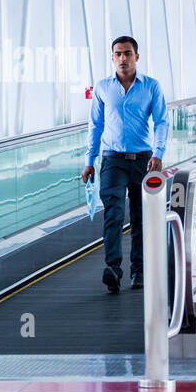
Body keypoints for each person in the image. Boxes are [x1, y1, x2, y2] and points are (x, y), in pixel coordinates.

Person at [81, 36, 169, 294]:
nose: (123, 58)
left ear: (137, 57)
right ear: (112, 58)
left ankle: (139, 270)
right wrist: (89, 160)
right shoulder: (103, 88)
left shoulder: (151, 87)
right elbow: (95, 125)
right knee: (113, 214)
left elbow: (162, 121)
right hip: (112, 160)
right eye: (118, 54)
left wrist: (159, 152)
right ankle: (113, 269)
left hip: (144, 160)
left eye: (127, 53)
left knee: (141, 218)